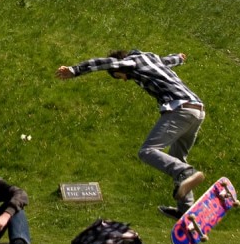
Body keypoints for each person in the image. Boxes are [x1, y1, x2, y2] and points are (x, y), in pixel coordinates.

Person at [55, 49, 206, 220]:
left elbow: (105, 63)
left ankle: (186, 172)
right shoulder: (152, 59)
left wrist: (74, 70)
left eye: (120, 76)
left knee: (147, 151)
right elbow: (168, 61)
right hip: (197, 110)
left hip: (179, 109)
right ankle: (186, 210)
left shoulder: (131, 62)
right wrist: (179, 58)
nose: (125, 80)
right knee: (177, 156)